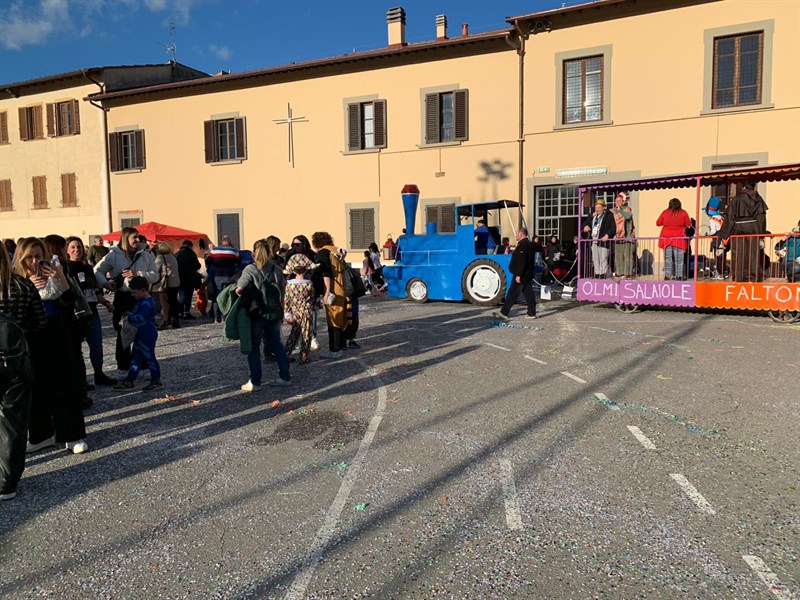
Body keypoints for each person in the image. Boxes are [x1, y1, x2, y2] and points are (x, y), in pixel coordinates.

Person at [13, 237, 89, 455]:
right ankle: (41, 435)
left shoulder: (55, 271)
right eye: (29, 257)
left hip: (57, 332)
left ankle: (72, 435)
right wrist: (28, 287)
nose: (34, 261)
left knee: (64, 384)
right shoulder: (16, 280)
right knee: (34, 387)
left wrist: (59, 277)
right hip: (30, 336)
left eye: (38, 256)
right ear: (21, 258)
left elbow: (69, 302)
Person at [0, 242, 46, 501]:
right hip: (15, 359)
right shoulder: (22, 285)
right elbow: (40, 322)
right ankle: (7, 483)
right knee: (14, 422)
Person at [94, 227, 159, 371]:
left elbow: (155, 275)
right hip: (123, 297)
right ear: (125, 239)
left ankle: (143, 365)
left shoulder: (146, 254)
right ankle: (123, 366)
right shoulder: (114, 255)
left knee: (142, 331)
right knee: (123, 332)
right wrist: (105, 283)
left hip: (142, 298)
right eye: (134, 237)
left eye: (138, 237)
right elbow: (97, 270)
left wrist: (138, 274)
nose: (137, 240)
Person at [236, 237, 291, 390]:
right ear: (269, 252)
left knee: (254, 347)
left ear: (253, 253)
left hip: (256, 313)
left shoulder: (250, 269)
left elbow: (239, 289)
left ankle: (255, 381)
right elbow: (282, 291)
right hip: (274, 311)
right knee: (276, 344)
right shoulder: (276, 269)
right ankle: (285, 376)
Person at [65, 236, 116, 388]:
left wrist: (106, 302)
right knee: (77, 349)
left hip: (92, 311)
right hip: (76, 313)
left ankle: (99, 374)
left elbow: (95, 290)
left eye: (79, 247)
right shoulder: (65, 267)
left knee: (96, 345)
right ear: (67, 250)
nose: (77, 250)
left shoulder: (87, 268)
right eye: (73, 247)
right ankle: (80, 379)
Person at [113, 276, 163, 391]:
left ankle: (156, 380)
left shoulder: (147, 303)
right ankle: (130, 380)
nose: (132, 295)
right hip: (139, 335)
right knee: (135, 358)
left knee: (150, 357)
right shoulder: (141, 301)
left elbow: (141, 317)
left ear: (143, 290)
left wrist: (129, 318)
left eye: (134, 292)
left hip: (147, 334)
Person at [719, 181, 769, 282]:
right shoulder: (759, 199)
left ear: (744, 187)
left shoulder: (736, 199)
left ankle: (739, 276)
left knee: (739, 253)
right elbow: (761, 218)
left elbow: (730, 218)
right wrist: (761, 233)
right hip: (754, 229)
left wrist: (724, 235)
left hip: (739, 229)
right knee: (753, 254)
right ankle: (753, 277)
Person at [312, 231, 348, 359]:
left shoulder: (323, 253)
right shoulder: (336, 251)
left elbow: (326, 273)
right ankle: (341, 345)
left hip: (333, 289)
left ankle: (335, 350)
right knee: (341, 317)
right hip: (342, 288)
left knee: (333, 319)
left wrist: (326, 292)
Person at [493, 227, 537, 321]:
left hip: (522, 275)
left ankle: (504, 313)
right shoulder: (527, 244)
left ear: (521, 234)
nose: (515, 235)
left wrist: (518, 275)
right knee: (528, 293)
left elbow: (522, 261)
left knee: (512, 293)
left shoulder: (523, 245)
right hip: (525, 274)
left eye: (517, 234)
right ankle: (531, 313)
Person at [286, 234, 321, 351]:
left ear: (304, 244)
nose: (295, 247)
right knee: (295, 319)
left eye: (297, 244)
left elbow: (315, 271)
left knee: (312, 314)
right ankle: (295, 341)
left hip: (307, 286)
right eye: (293, 244)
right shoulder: (290, 254)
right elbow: (287, 269)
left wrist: (305, 280)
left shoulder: (311, 255)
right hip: (294, 287)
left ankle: (312, 338)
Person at [283, 253, 315, 364]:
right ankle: (304, 356)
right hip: (306, 312)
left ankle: (286, 354)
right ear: (305, 270)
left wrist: (287, 314)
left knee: (294, 333)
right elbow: (312, 297)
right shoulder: (309, 284)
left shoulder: (289, 284)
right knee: (306, 334)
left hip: (294, 312)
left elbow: (286, 300)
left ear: (293, 271)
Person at [206, 236, 240, 323]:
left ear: (222, 242)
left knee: (216, 296)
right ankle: (224, 317)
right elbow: (238, 261)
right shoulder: (234, 251)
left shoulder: (214, 250)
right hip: (229, 276)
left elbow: (208, 261)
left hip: (216, 275)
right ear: (229, 242)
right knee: (226, 295)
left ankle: (216, 318)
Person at [656, 198, 692, 280]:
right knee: (679, 259)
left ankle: (667, 276)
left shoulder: (665, 212)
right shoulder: (683, 213)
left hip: (666, 239)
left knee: (668, 259)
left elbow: (658, 223)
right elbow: (688, 224)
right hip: (679, 239)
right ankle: (679, 276)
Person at [582, 200, 616, 278]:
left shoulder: (609, 215)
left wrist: (607, 235)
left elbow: (613, 228)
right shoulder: (593, 216)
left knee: (603, 257)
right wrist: (585, 226)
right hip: (594, 240)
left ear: (603, 208)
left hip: (603, 240)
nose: (597, 209)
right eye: (596, 207)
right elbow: (585, 223)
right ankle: (597, 273)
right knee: (595, 258)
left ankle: (603, 273)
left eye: (599, 207)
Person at [152, 242, 181, 330]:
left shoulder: (160, 257)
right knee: (174, 302)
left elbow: (155, 270)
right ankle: (176, 321)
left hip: (166, 284)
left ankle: (167, 322)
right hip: (175, 283)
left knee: (165, 303)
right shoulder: (172, 256)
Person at [175, 239, 201, 319]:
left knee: (181, 295)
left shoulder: (177, 254)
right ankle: (186, 312)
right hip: (190, 278)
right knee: (188, 296)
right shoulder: (191, 254)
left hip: (179, 278)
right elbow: (197, 266)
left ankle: (180, 312)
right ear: (190, 246)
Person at [612, 193, 636, 278]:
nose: (617, 203)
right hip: (618, 236)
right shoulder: (614, 211)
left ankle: (627, 273)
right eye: (616, 201)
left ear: (623, 202)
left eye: (619, 201)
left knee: (627, 255)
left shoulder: (627, 209)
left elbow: (628, 217)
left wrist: (620, 211)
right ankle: (619, 272)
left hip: (627, 235)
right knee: (618, 255)